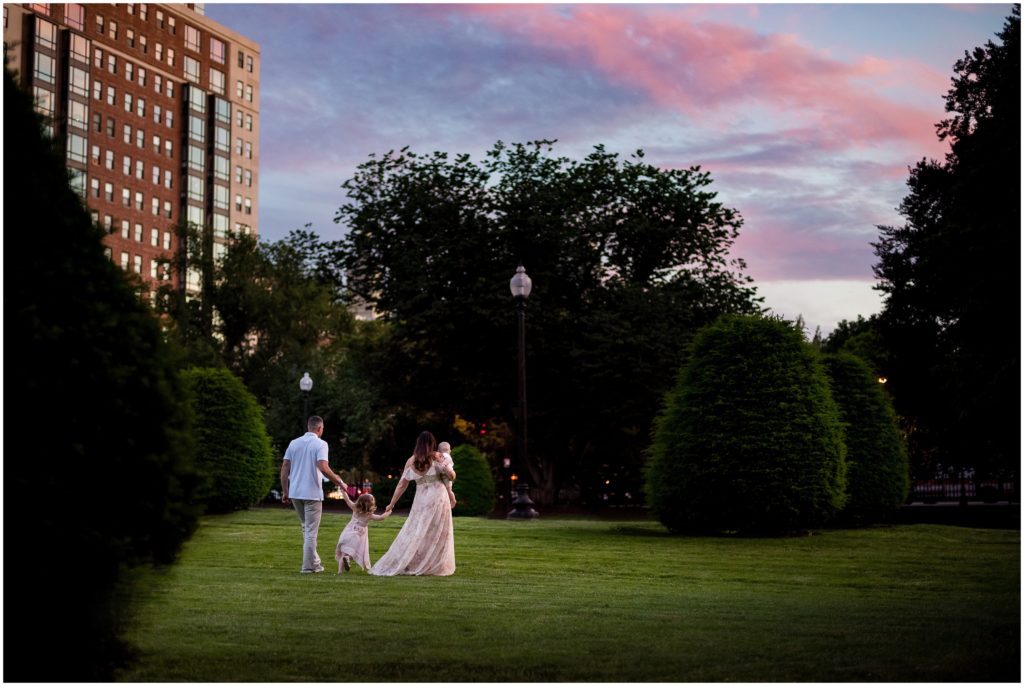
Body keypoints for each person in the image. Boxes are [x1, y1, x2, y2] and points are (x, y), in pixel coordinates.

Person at [369, 431, 456, 576]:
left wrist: (392, 503)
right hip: (438, 498)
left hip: (421, 499)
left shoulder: (411, 461)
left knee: (417, 529)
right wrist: (445, 467)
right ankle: (432, 564)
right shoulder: (437, 456)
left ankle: (414, 562)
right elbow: (452, 476)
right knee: (437, 532)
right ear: (432, 443)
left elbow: (401, 485)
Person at [280, 416, 347, 574]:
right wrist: (339, 482)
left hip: (296, 493)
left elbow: (284, 468)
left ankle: (315, 563)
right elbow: (323, 467)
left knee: (306, 529)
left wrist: (285, 491)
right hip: (312, 493)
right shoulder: (321, 444)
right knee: (310, 531)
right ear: (320, 429)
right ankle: (308, 567)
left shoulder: (293, 443)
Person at [335, 492, 390, 574]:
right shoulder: (369, 515)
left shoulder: (355, 508)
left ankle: (340, 572)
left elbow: (347, 500)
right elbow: (380, 517)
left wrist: (343, 491)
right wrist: (389, 512)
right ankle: (348, 558)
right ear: (370, 505)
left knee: (344, 552)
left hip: (348, 532)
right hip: (357, 536)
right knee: (351, 552)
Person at [437, 441, 457, 509]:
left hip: (447, 476)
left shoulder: (445, 455)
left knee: (449, 490)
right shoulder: (445, 454)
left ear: (438, 450)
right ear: (450, 450)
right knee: (447, 490)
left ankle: (453, 500)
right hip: (444, 474)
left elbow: (448, 459)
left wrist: (443, 464)